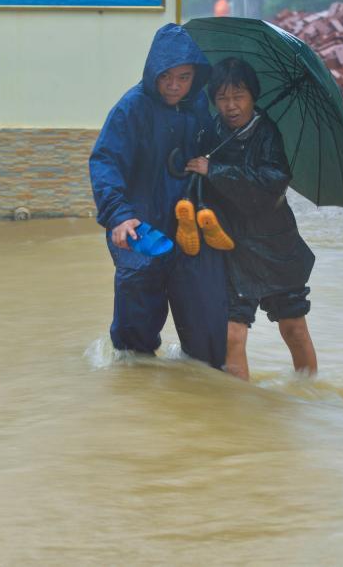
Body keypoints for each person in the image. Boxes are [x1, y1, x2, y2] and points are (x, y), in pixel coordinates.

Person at [89, 23, 227, 368]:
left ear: (196, 76)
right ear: (153, 72)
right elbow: (105, 162)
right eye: (167, 76)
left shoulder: (200, 109)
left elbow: (221, 152)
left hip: (189, 226)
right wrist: (118, 216)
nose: (175, 86)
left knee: (206, 322)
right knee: (136, 330)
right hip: (141, 224)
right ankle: (133, 388)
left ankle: (200, 383)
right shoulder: (131, 109)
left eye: (184, 77)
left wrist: (217, 165)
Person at [184, 57, 317, 381]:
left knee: (294, 329)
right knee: (232, 334)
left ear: (252, 96)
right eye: (223, 98)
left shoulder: (268, 133)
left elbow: (272, 184)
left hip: (275, 245)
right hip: (232, 246)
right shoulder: (211, 134)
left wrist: (215, 170)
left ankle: (310, 398)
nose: (231, 106)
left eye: (239, 96)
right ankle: (240, 416)